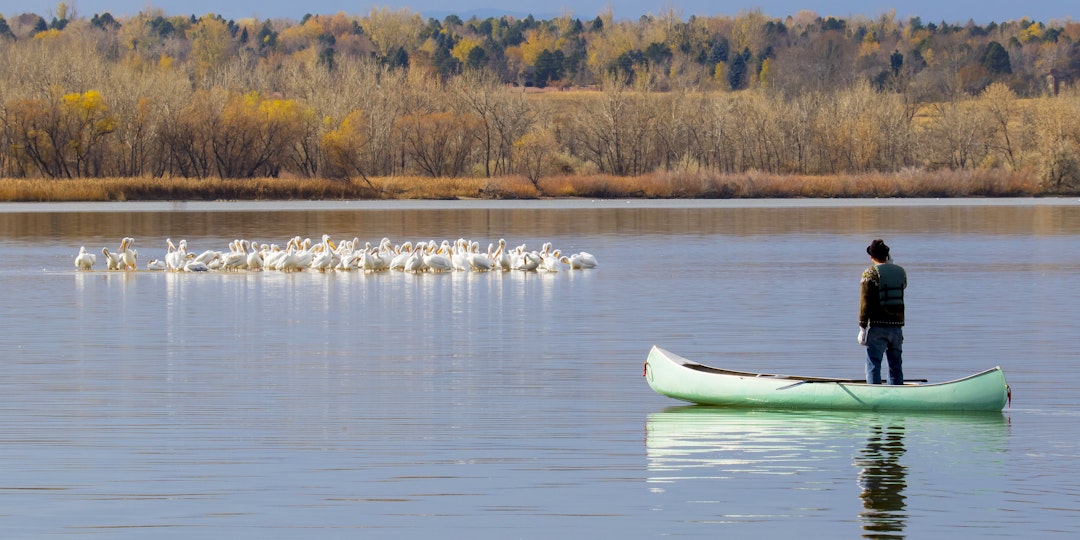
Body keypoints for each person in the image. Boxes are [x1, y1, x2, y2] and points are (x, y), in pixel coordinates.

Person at [858, 239, 907, 385]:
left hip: (878, 327)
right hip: (897, 328)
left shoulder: (870, 273)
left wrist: (862, 328)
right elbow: (903, 285)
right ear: (887, 255)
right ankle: (897, 393)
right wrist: (891, 265)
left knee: (873, 363)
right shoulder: (901, 271)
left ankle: (875, 394)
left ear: (871, 257)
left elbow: (865, 302)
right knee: (896, 366)